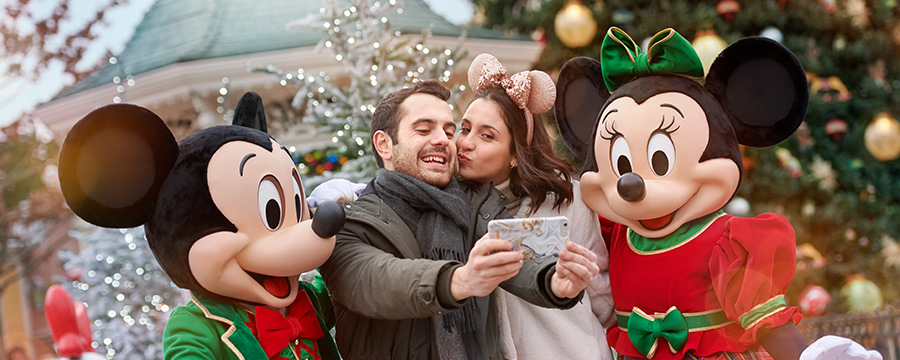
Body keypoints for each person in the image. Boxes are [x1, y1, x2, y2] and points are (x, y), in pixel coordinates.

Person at [318, 79, 600, 360]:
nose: (446, 139)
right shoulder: (350, 223)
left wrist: (554, 282)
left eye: (449, 130)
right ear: (385, 144)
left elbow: (517, 258)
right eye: (424, 129)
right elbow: (377, 280)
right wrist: (460, 280)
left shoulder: (476, 205)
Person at [458, 53, 614, 359]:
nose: (466, 143)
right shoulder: (447, 201)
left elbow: (601, 295)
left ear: (516, 153)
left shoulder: (568, 199)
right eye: (465, 128)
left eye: (486, 135)